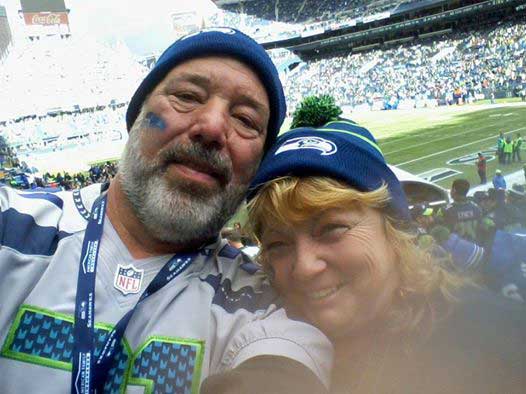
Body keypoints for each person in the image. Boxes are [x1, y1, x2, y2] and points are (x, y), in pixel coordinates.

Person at [0, 29, 331, 394]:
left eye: (246, 121)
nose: (212, 127)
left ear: (257, 168)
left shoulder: (262, 302)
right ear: (137, 118)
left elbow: (286, 368)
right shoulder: (11, 225)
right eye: (187, 97)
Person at [246, 117, 526, 394]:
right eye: (278, 245)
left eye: (331, 228)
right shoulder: (263, 354)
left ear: (394, 229)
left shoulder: (502, 345)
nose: (304, 267)